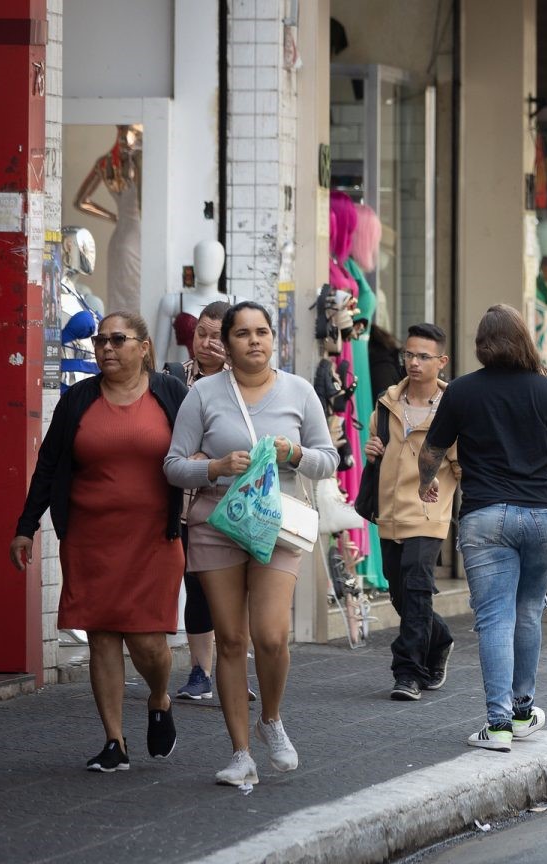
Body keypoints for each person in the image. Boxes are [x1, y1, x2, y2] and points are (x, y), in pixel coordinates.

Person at [165, 301, 340, 786]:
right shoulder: (202, 394)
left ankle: (272, 720)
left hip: (278, 526)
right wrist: (215, 468)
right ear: (227, 342)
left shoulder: (299, 392)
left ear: (273, 339)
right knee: (231, 640)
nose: (254, 341)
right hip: (216, 524)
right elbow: (173, 465)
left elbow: (330, 459)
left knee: (270, 635)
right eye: (242, 334)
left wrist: (296, 452)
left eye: (262, 332)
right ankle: (240, 753)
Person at [12, 312, 189, 772]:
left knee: (149, 642)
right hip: (90, 539)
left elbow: (197, 451)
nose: (106, 348)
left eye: (117, 339)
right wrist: (25, 526)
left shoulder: (171, 394)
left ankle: (158, 696)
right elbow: (48, 466)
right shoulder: (77, 401)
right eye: (99, 340)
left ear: (144, 346)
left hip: (154, 538)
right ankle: (115, 742)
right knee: (103, 636)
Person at [419, 305, 547, 752]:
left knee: (495, 617)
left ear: (481, 344)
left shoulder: (461, 391)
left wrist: (427, 483)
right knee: (529, 609)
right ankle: (522, 711)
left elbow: (431, 449)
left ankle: (497, 725)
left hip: (485, 515)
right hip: (545, 516)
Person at [364, 323, 461, 701]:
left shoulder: (454, 407)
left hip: (428, 512)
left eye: (423, 356)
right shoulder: (387, 400)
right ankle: (440, 639)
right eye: (409, 354)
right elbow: (378, 439)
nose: (414, 362)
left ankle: (408, 672)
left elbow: (462, 463)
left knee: (417, 588)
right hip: (389, 510)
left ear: (441, 361)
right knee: (400, 593)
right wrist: (374, 447)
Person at [161, 301, 247, 702]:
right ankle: (200, 672)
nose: (208, 343)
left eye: (217, 335)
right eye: (201, 334)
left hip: (231, 502)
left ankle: (234, 670)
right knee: (194, 585)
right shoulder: (171, 377)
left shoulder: (244, 383)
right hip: (182, 501)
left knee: (234, 590)